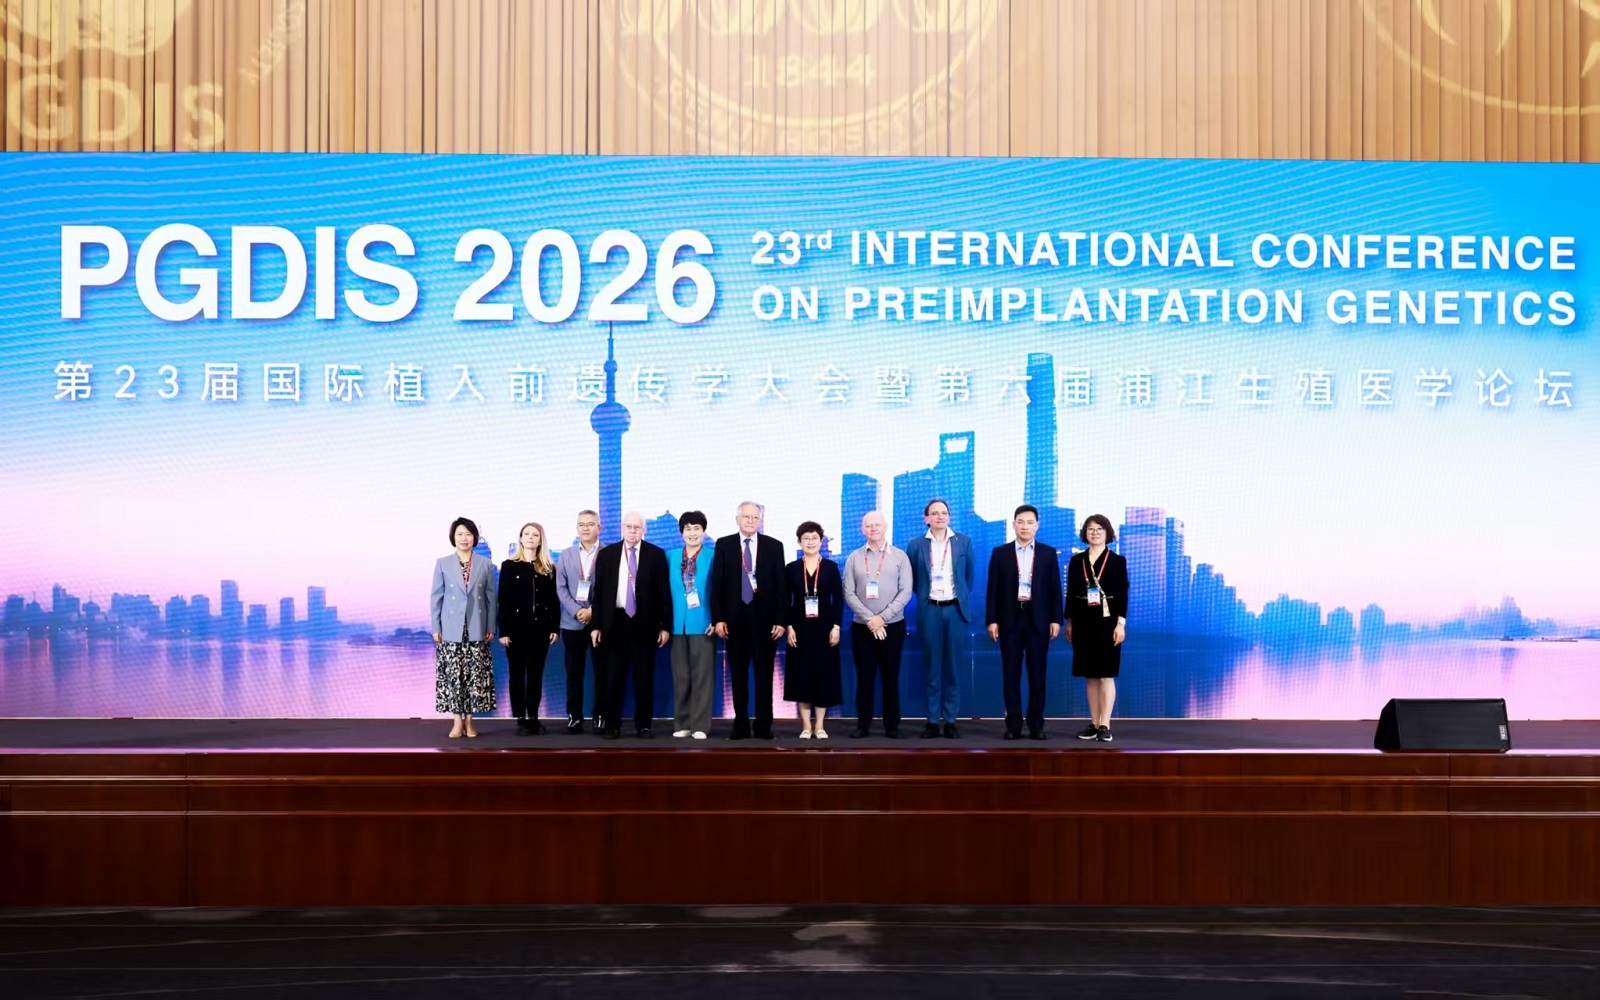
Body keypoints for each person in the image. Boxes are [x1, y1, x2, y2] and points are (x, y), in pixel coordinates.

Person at [591, 511, 672, 739]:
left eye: (637, 527)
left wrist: (665, 626)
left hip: (645, 624)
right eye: (629, 526)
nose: (633, 531)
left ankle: (644, 725)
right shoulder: (607, 554)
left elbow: (663, 593)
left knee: (644, 678)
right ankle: (612, 725)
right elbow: (598, 593)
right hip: (614, 623)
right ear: (622, 528)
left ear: (644, 529)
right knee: (613, 677)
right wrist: (596, 626)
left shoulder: (656, 554)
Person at [710, 501, 787, 740]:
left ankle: (764, 726)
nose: (751, 521)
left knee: (764, 677)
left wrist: (780, 620)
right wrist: (718, 619)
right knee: (738, 677)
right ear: (737, 519)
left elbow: (781, 587)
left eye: (755, 517)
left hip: (765, 622)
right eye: (746, 517)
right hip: (734, 622)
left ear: (760, 521)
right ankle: (740, 725)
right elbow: (717, 584)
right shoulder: (724, 544)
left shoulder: (774, 546)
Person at [985, 505, 1062, 740]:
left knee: (1038, 675)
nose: (1025, 526)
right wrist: (992, 620)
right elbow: (992, 589)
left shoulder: (1048, 553)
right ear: (1014, 525)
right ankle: (1013, 725)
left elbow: (1055, 589)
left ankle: (1036, 725)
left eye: (1030, 522)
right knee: (1011, 674)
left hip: (1039, 620)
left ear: (1037, 526)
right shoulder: (1001, 553)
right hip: (1010, 619)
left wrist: (1056, 619)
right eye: (1021, 522)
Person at [905, 498, 975, 739]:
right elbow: (913, 580)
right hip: (930, 610)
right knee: (932, 667)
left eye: (944, 513)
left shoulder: (964, 542)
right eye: (934, 513)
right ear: (926, 518)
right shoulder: (916, 545)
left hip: (955, 610)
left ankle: (951, 720)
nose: (940, 517)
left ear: (949, 516)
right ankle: (933, 721)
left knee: (953, 668)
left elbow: (969, 577)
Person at [842, 510, 913, 739]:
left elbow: (906, 591)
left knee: (890, 677)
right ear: (862, 530)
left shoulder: (900, 557)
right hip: (862, 627)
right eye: (868, 525)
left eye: (877, 525)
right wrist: (870, 619)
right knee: (864, 678)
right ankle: (863, 725)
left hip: (893, 626)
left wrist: (882, 618)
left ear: (885, 527)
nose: (873, 529)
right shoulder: (854, 557)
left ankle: (892, 726)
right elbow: (848, 593)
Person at [430, 516, 497, 738]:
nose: (464, 538)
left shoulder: (485, 564)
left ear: (474, 537)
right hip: (451, 627)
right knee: (454, 677)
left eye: (468, 534)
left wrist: (491, 625)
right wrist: (436, 626)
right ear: (453, 537)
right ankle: (457, 721)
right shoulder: (443, 563)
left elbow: (491, 598)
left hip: (477, 626)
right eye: (460, 534)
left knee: (474, 677)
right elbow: (436, 597)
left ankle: (470, 721)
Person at [1066, 514, 1130, 743]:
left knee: (1106, 674)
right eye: (1091, 529)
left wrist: (1120, 624)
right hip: (1082, 621)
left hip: (1107, 621)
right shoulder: (1076, 561)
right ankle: (1093, 723)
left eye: (1099, 529)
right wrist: (1070, 622)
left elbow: (1122, 594)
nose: (1094, 533)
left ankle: (1105, 725)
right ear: (1085, 533)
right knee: (1090, 676)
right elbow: (1071, 593)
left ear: (1107, 533)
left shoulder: (1117, 561)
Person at [497, 522, 560, 735]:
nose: (531, 537)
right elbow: (503, 600)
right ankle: (520, 717)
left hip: (540, 630)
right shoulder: (509, 566)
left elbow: (553, 601)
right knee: (516, 675)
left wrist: (554, 627)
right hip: (515, 631)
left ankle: (533, 716)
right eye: (527, 534)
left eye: (535, 534)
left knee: (535, 675)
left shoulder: (549, 568)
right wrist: (504, 631)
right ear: (520, 538)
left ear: (541, 540)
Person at [784, 521, 843, 739]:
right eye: (806, 538)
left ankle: (819, 726)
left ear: (821, 541)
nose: (810, 542)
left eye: (814, 538)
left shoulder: (830, 567)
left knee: (823, 676)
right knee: (802, 676)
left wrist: (836, 626)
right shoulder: (791, 568)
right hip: (799, 628)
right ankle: (806, 726)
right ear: (799, 541)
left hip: (825, 628)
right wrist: (789, 626)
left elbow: (838, 599)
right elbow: (785, 600)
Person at [667, 511, 716, 740]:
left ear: (704, 532)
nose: (692, 533)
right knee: (681, 677)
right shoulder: (671, 557)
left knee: (702, 677)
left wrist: (716, 619)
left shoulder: (713, 556)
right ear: (681, 532)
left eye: (697, 528)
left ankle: (700, 726)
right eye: (688, 528)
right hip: (677, 624)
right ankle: (682, 723)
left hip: (704, 623)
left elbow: (720, 590)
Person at [555, 510, 602, 733]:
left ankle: (600, 715)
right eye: (581, 524)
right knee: (574, 673)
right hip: (571, 623)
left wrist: (593, 611)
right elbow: (560, 588)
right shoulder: (566, 555)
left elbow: (611, 588)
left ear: (599, 528)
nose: (585, 528)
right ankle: (574, 716)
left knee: (602, 671)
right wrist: (577, 611)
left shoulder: (609, 553)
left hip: (599, 623)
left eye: (590, 524)